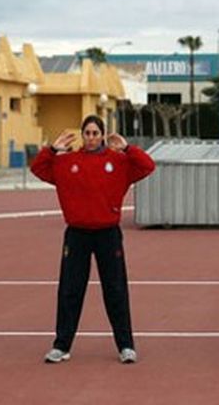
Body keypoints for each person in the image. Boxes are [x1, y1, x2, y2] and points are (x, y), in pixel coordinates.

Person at [30, 114, 156, 365]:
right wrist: (53, 149)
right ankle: (61, 345)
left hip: (108, 234)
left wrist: (128, 148)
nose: (91, 138)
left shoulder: (118, 162)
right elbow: (38, 169)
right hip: (77, 235)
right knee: (70, 290)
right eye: (87, 133)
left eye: (95, 133)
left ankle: (126, 346)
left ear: (102, 135)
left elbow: (147, 166)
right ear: (82, 135)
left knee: (116, 290)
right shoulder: (67, 163)